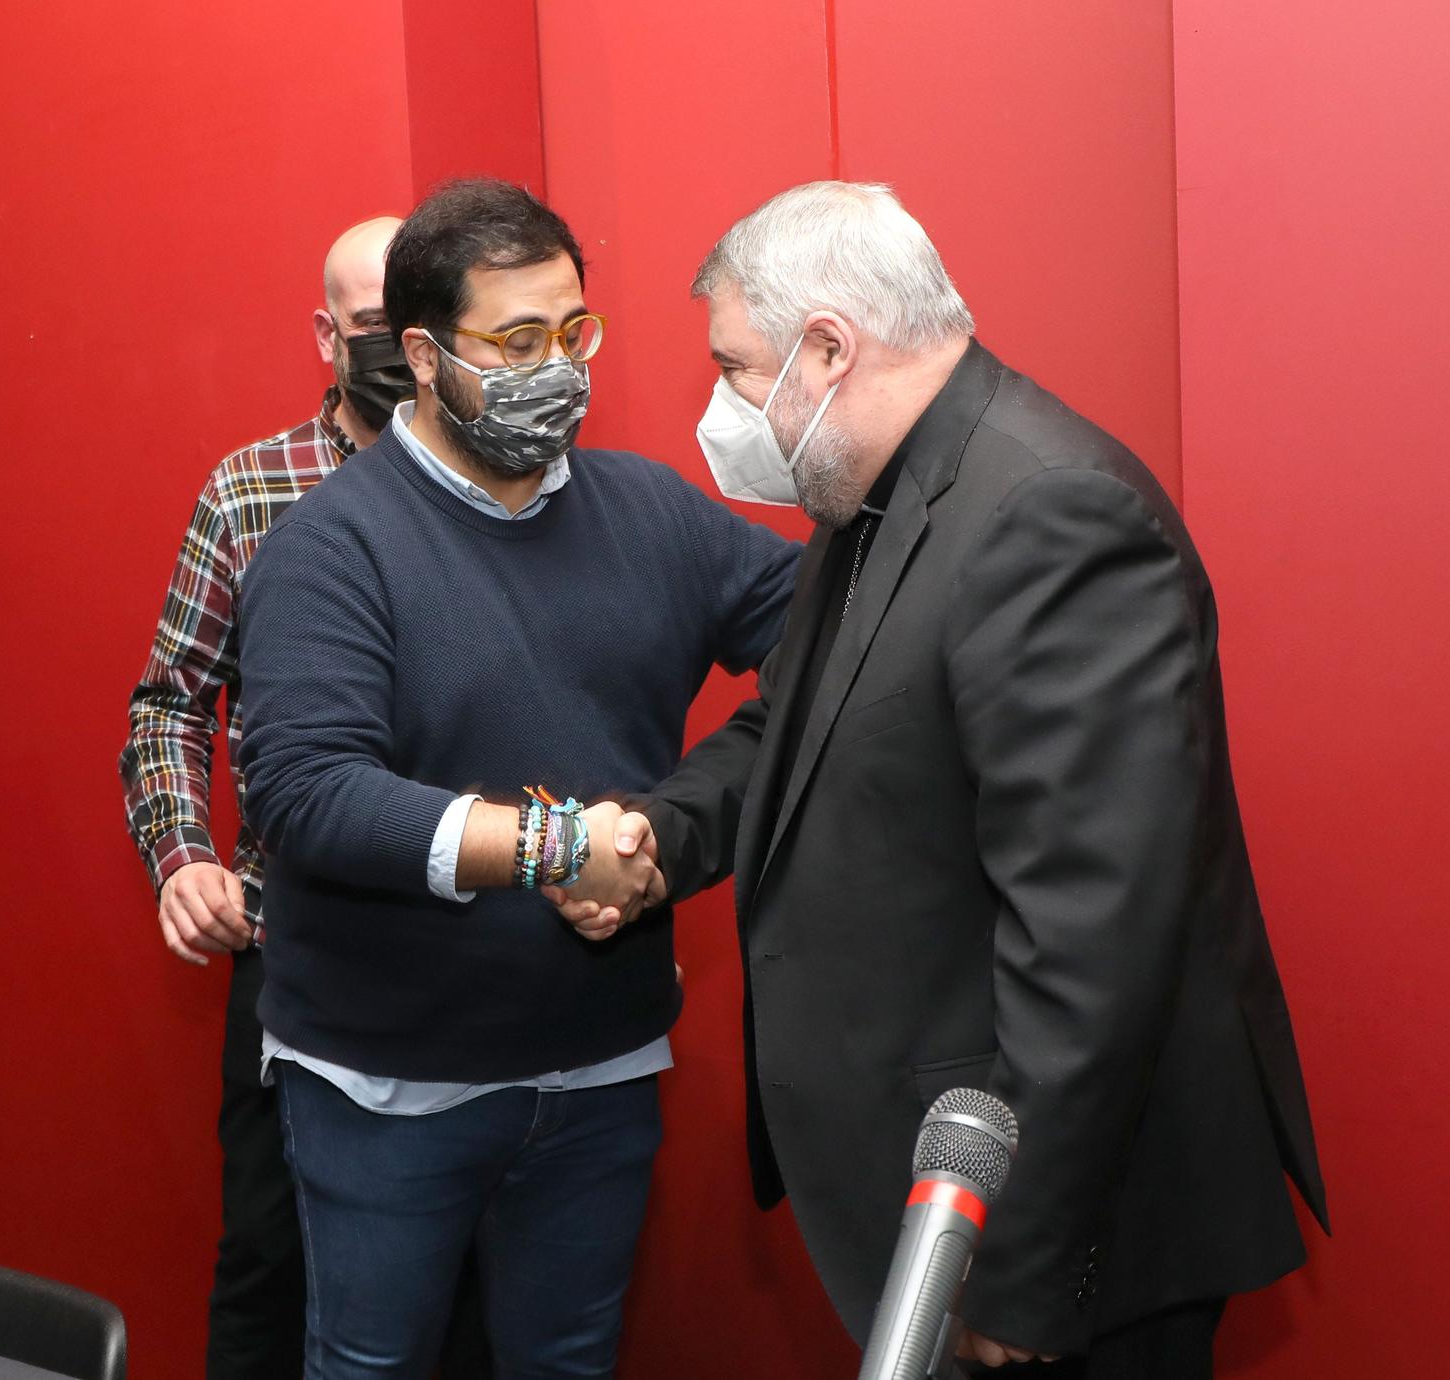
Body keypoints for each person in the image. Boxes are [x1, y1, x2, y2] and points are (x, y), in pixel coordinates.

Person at [553, 181, 1327, 1377]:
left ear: (826, 349)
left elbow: (1090, 944)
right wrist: (655, 837)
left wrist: (1007, 1264)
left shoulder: (1047, 514)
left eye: (737, 369)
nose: (725, 409)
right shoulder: (877, 491)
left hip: (1047, 1236)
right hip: (930, 1197)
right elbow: (794, 727)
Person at [234, 177, 801, 1379]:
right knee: (372, 1364)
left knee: (567, 1360)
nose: (560, 366)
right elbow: (307, 790)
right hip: (387, 1088)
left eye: (574, 331)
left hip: (598, 1067)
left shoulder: (650, 512)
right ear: (427, 358)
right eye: (518, 341)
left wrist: (660, 833)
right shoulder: (329, 547)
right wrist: (552, 848)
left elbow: (833, 636)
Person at [120, 215, 469, 1379]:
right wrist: (183, 856)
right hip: (293, 943)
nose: (400, 348)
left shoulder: (503, 480)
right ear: (327, 334)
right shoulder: (250, 490)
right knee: (273, 1259)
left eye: (420, 321)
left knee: (469, 1273)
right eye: (373, 325)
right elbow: (170, 702)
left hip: (475, 942)